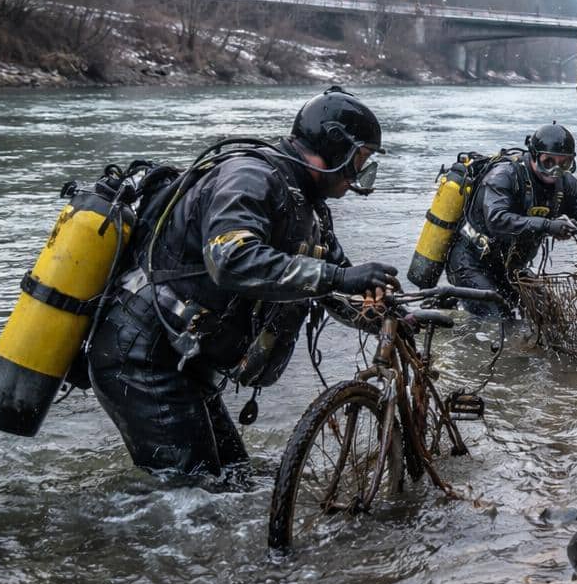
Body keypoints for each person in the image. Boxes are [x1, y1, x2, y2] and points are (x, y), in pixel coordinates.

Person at [87, 87, 401, 483]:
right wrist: (339, 277)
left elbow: (336, 283)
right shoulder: (250, 176)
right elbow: (231, 260)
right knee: (195, 494)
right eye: (360, 160)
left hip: (184, 359)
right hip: (141, 360)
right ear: (334, 145)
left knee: (236, 478)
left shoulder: (310, 206)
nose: (360, 175)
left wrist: (388, 315)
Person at [444, 124, 577, 317]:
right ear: (534, 155)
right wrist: (548, 226)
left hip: (509, 267)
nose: (555, 170)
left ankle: (458, 307)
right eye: (548, 162)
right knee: (501, 319)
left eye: (564, 163)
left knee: (544, 313)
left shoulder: (567, 186)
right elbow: (497, 220)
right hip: (470, 261)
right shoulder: (504, 176)